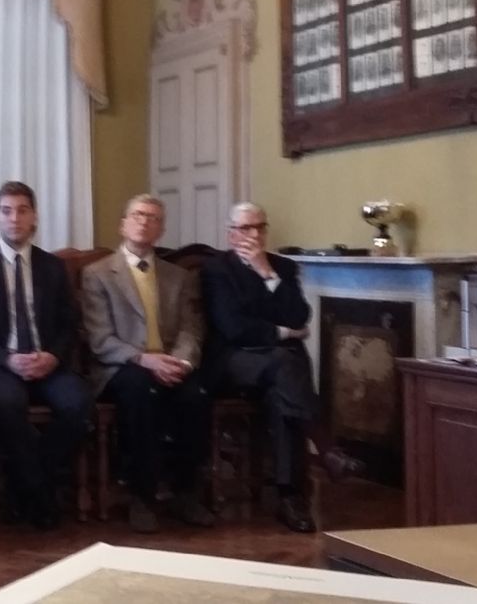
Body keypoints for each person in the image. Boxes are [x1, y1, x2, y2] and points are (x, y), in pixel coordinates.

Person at [201, 202, 364, 533]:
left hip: (277, 366)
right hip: (233, 361)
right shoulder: (216, 270)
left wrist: (266, 273)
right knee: (287, 362)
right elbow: (233, 328)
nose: (254, 234)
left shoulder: (283, 268)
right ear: (231, 234)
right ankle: (325, 450)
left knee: (283, 392)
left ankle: (291, 498)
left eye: (260, 227)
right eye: (245, 228)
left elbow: (299, 315)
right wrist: (285, 333)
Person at [0, 182, 91, 530]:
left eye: (22, 210)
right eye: (6, 211)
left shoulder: (52, 266)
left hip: (47, 361)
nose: (14, 218)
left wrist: (53, 357)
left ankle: (25, 488)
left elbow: (69, 324)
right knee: (8, 402)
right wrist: (6, 359)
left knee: (78, 403)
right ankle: (40, 496)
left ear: (34, 217)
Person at [80, 194, 213, 534]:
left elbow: (190, 329)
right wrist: (144, 359)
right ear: (123, 225)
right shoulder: (97, 274)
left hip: (170, 362)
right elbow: (100, 339)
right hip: (121, 366)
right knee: (141, 391)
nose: (144, 222)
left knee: (195, 395)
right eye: (138, 215)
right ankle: (142, 495)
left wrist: (181, 362)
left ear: (161, 229)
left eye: (153, 217)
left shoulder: (178, 276)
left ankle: (186, 492)